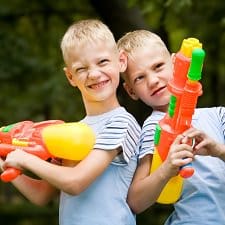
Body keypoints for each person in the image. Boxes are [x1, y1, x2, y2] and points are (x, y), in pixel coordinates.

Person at [1, 19, 141, 225]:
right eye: (81, 68)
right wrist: (5, 163)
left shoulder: (122, 123)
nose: (94, 74)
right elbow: (41, 195)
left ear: (121, 61)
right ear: (70, 77)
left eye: (102, 62)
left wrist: (25, 159)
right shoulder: (71, 133)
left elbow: (75, 182)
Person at [117, 30, 225, 225]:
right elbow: (135, 201)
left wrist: (218, 150)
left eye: (158, 66)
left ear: (177, 63)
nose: (153, 80)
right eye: (139, 78)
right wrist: (166, 169)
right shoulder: (154, 126)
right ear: (131, 91)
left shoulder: (218, 116)